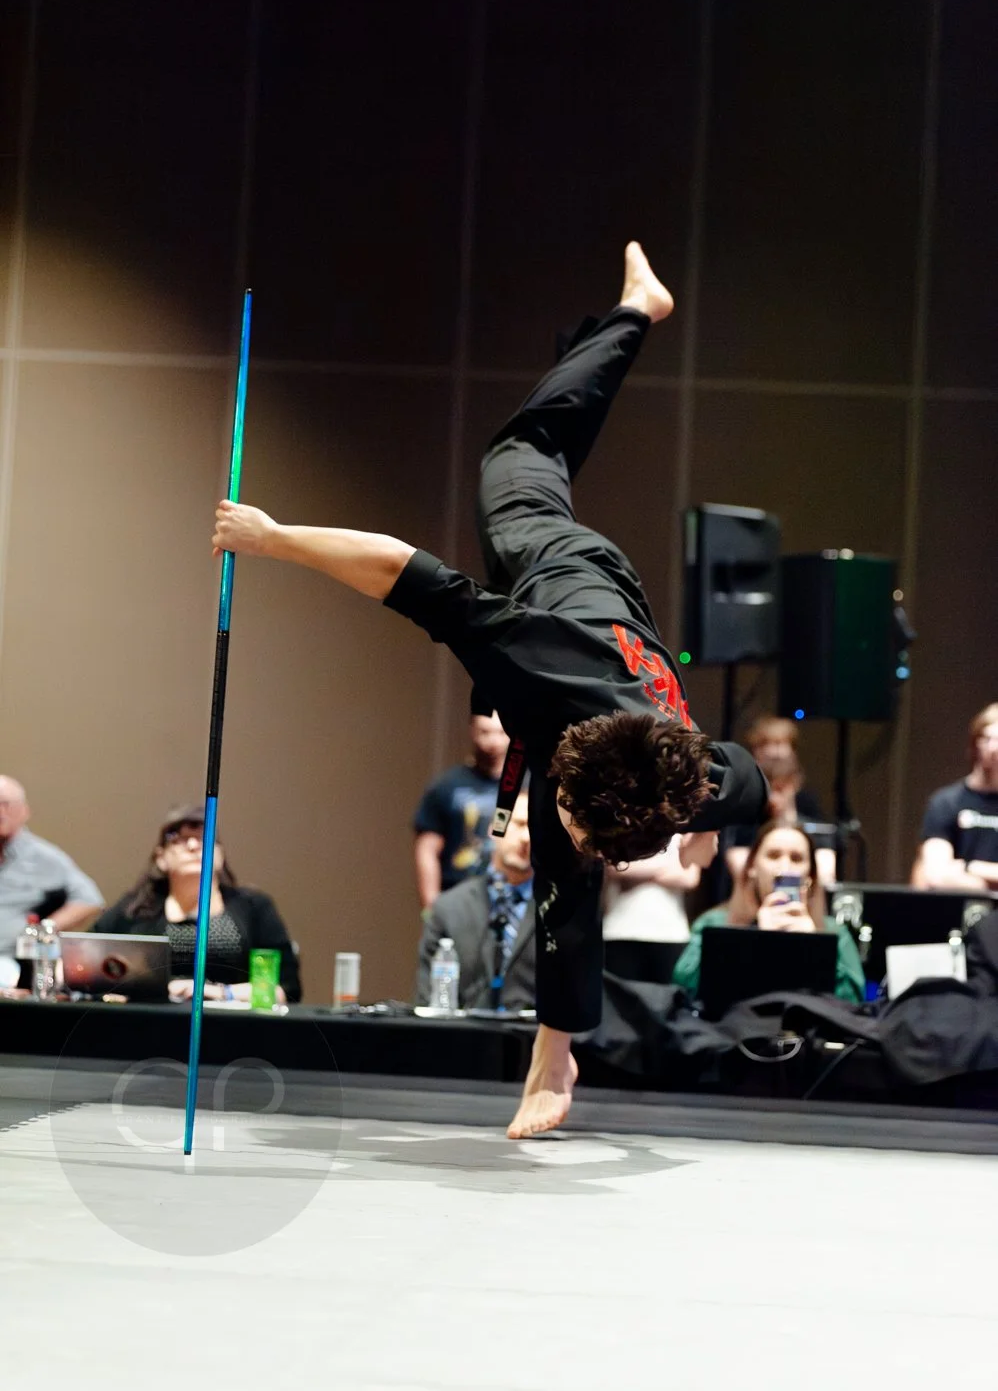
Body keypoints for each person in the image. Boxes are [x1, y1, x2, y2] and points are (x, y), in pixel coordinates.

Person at [212, 242, 767, 1137]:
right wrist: (272, 537)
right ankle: (638, 313)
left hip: (615, 697)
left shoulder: (690, 775)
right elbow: (403, 570)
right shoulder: (528, 657)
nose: (583, 839)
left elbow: (756, 780)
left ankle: (555, 1053)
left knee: (559, 875)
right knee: (522, 450)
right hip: (557, 565)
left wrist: (703, 829)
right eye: (587, 824)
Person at [93, 804, 301, 1003]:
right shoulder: (135, 908)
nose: (193, 846)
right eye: (179, 840)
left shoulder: (254, 906)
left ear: (220, 854)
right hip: (151, 1023)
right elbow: (87, 957)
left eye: (205, 839)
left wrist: (218, 992)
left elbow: (285, 988)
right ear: (161, 857)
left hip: (232, 1024)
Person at [672, 820, 864, 1004]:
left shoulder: (834, 933)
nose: (784, 868)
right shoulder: (714, 923)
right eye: (773, 856)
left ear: (811, 876)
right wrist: (755, 940)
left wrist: (813, 945)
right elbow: (686, 988)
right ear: (752, 868)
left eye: (796, 859)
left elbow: (853, 1001)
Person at [416, 789, 535, 1011]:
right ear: (495, 829)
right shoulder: (449, 908)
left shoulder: (561, 910)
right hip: (464, 1040)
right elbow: (427, 1003)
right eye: (519, 824)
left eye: (535, 828)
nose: (526, 838)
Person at [716, 716, 835, 897]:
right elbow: (742, 872)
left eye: (781, 744)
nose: (775, 753)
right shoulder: (742, 816)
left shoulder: (810, 811)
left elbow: (825, 876)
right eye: (768, 745)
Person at [0, 774, 105, 961]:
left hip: (9, 961)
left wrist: (43, 930)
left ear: (25, 811)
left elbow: (90, 900)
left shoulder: (43, 858)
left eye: (5, 804)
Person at [413, 707, 509, 909]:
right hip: (457, 897)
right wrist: (431, 908)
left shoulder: (523, 787)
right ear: (472, 731)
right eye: (485, 732)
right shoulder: (447, 785)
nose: (493, 742)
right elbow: (427, 850)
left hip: (509, 896)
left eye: (500, 733)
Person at [911, 703, 998, 890]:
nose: (993, 749)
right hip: (956, 912)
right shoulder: (946, 802)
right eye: (987, 738)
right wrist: (989, 886)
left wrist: (969, 866)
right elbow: (936, 875)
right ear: (975, 743)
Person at [601, 836, 701, 944]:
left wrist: (637, 871)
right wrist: (670, 867)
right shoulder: (621, 824)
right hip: (619, 929)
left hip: (671, 931)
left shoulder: (684, 826)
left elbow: (689, 878)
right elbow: (612, 868)